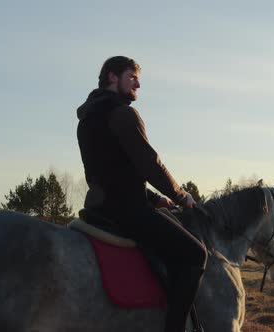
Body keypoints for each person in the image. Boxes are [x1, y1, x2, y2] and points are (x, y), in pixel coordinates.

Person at [76, 56, 207, 332]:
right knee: (196, 255)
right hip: (127, 211)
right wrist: (182, 196)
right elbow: (150, 163)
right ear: (113, 77)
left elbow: (108, 172)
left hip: (99, 209)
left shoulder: (87, 119)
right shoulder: (123, 113)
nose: (138, 83)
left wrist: (153, 198)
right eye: (132, 76)